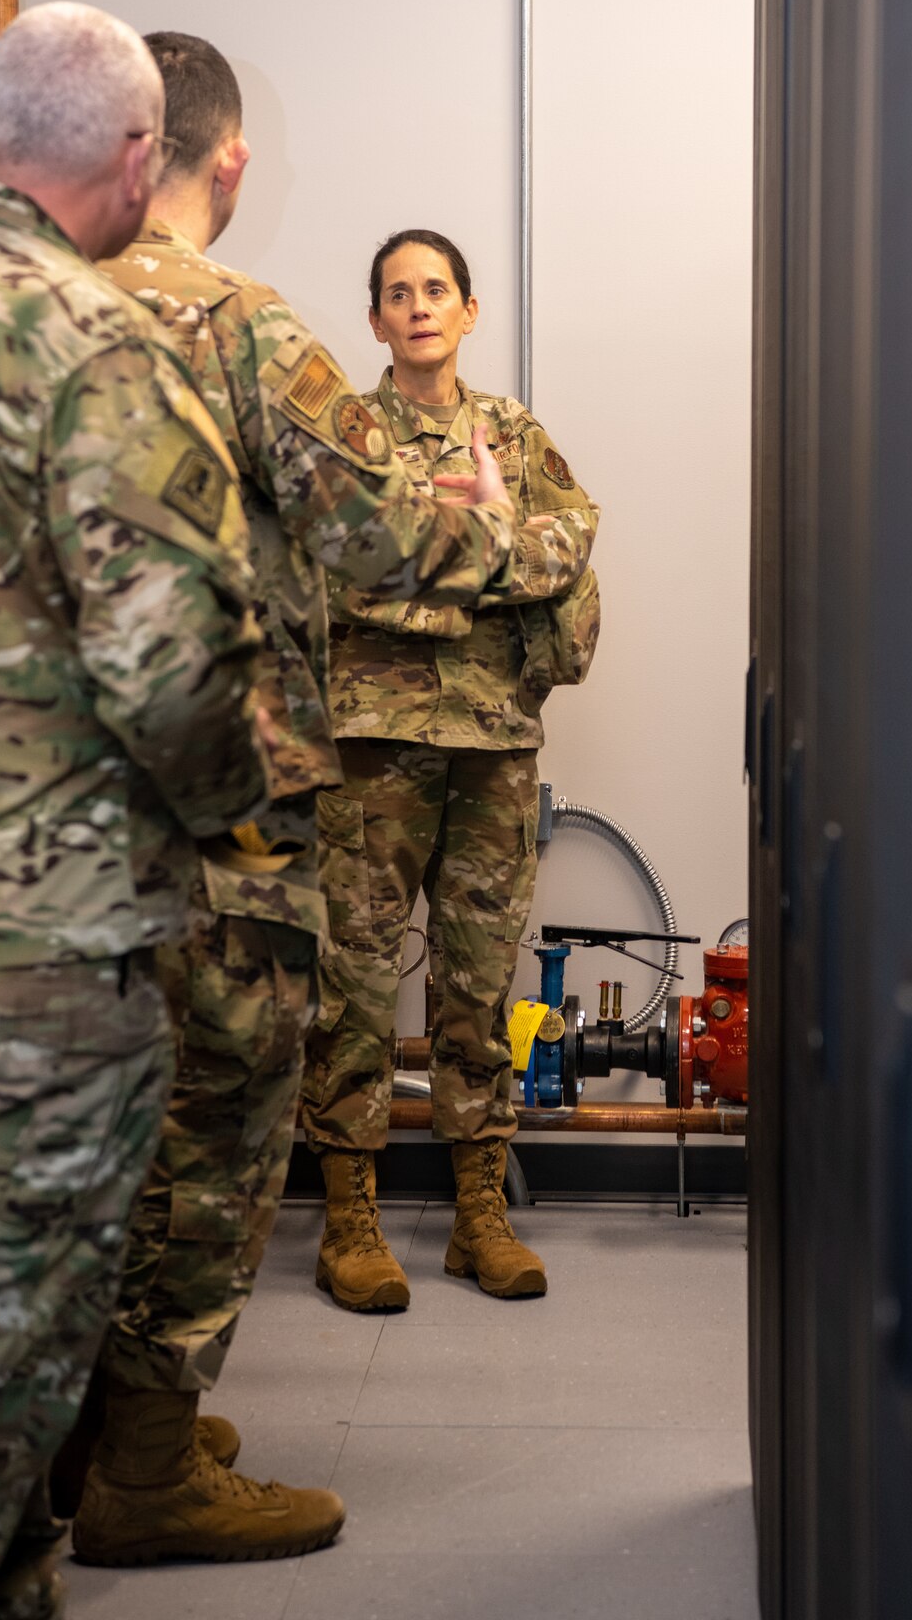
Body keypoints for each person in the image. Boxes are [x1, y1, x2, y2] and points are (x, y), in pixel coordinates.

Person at [58, 34, 518, 1571]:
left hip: (40, 814)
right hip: (222, 813)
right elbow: (378, 536)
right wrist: (467, 518)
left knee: (79, 1122)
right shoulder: (244, 325)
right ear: (225, 160)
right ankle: (143, 1467)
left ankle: (99, 1424)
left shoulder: (26, 302)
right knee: (212, 1125)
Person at [0, 3, 272, 1620]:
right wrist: (228, 811)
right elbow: (174, 682)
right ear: (141, 163)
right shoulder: (90, 346)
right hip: (26, 978)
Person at [301, 229, 600, 1308]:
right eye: (397, 292)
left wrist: (472, 553)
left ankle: (480, 1214)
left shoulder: (511, 433)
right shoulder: (347, 438)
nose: (418, 305)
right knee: (355, 986)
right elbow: (333, 576)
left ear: (469, 310)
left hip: (492, 749)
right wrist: (483, 566)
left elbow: (572, 546)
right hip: (371, 750)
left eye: (436, 289)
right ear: (375, 319)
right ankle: (349, 1222)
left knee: (478, 983)